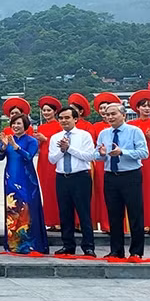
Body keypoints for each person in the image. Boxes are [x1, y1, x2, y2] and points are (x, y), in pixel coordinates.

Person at [97, 103, 149, 259]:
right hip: (110, 176)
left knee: (135, 215)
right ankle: (116, 250)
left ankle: (136, 252)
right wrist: (100, 153)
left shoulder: (134, 131)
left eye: (114, 114)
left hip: (130, 175)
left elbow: (144, 153)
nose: (110, 117)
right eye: (108, 114)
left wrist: (122, 152)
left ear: (123, 115)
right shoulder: (103, 133)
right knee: (114, 215)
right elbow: (98, 155)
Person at [49, 107, 96, 257]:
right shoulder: (55, 137)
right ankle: (68, 245)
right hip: (62, 177)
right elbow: (51, 159)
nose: (64, 121)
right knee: (65, 213)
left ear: (75, 119)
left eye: (67, 118)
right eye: (61, 118)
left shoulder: (84, 135)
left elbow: (89, 156)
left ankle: (88, 246)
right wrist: (62, 150)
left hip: (80, 177)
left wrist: (69, 148)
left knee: (83, 213)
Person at [0, 114, 47, 254]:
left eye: (18, 123)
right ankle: (13, 244)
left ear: (25, 125)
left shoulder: (31, 141)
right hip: (10, 178)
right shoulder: (8, 140)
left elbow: (29, 157)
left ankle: (30, 244)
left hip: (26, 178)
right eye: (13, 124)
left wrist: (16, 146)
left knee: (27, 208)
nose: (15, 126)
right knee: (12, 209)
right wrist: (3, 147)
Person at [127, 90, 150, 236]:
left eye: (149, 106)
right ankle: (143, 222)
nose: (147, 108)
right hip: (136, 161)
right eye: (144, 106)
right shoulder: (131, 125)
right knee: (138, 192)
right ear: (137, 108)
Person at [91, 92, 120, 233]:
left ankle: (119, 225)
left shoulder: (128, 129)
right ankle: (104, 224)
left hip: (120, 164)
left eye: (107, 108)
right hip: (102, 164)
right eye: (102, 108)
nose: (104, 111)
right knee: (102, 193)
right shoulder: (96, 127)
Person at [35, 96, 63, 232]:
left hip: (54, 161)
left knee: (55, 191)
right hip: (43, 161)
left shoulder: (59, 126)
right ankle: (50, 221)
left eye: (48, 110)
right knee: (46, 191)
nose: (45, 113)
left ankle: (59, 220)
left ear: (55, 112)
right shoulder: (41, 126)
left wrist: (45, 139)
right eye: (44, 110)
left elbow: (59, 142)